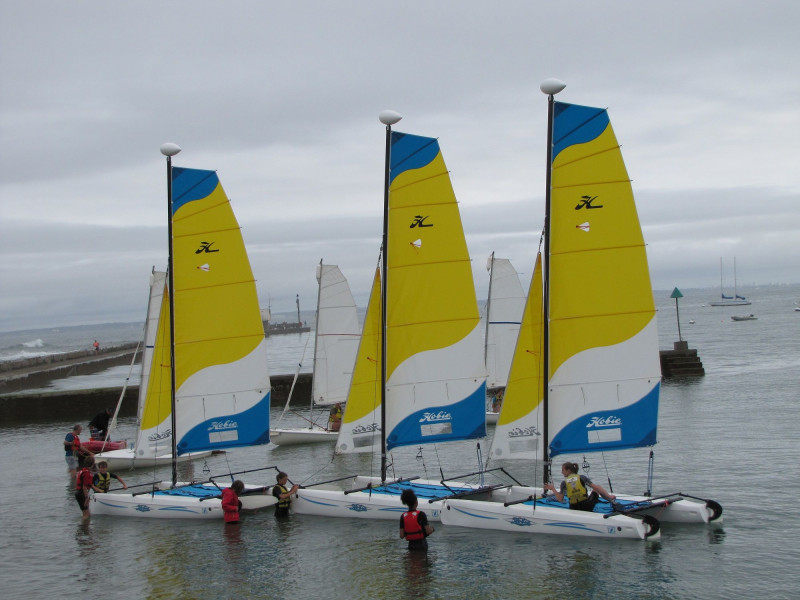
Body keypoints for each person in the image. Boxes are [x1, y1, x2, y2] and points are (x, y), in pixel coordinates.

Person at [544, 461, 616, 512]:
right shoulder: (582, 477)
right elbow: (597, 488)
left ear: (568, 471)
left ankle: (609, 498)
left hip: (574, 508)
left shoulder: (564, 483)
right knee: (597, 488)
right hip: (587, 506)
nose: (561, 472)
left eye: (563, 470)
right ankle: (611, 500)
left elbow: (560, 499)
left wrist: (552, 488)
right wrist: (607, 495)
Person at [74, 456, 96, 520]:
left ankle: (86, 528)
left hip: (79, 492)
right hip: (81, 494)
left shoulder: (83, 470)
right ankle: (84, 527)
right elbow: (84, 486)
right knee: (86, 514)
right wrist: (86, 497)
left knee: (87, 513)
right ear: (92, 464)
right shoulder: (86, 473)